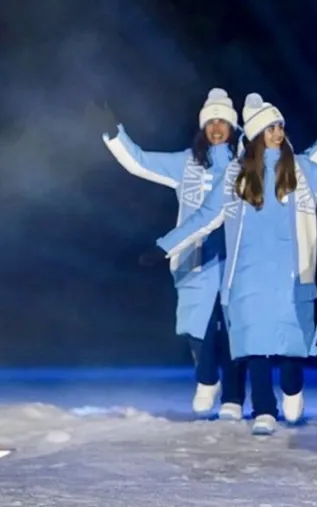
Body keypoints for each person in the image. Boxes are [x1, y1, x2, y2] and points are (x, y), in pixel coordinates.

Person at [146, 93, 317, 435]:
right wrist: (163, 246)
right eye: (269, 128)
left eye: (280, 126)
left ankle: (293, 389)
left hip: (292, 276)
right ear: (253, 135)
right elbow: (205, 218)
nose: (278, 133)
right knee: (255, 346)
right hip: (247, 278)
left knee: (292, 349)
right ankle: (264, 408)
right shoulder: (236, 175)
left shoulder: (301, 169)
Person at [102, 88, 246, 420]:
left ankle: (234, 398)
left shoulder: (244, 166)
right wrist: (113, 133)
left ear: (233, 127)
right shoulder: (186, 163)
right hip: (194, 257)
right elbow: (138, 161)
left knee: (237, 329)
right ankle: (207, 379)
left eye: (223, 121)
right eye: (210, 122)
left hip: (236, 257)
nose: (216, 127)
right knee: (198, 327)